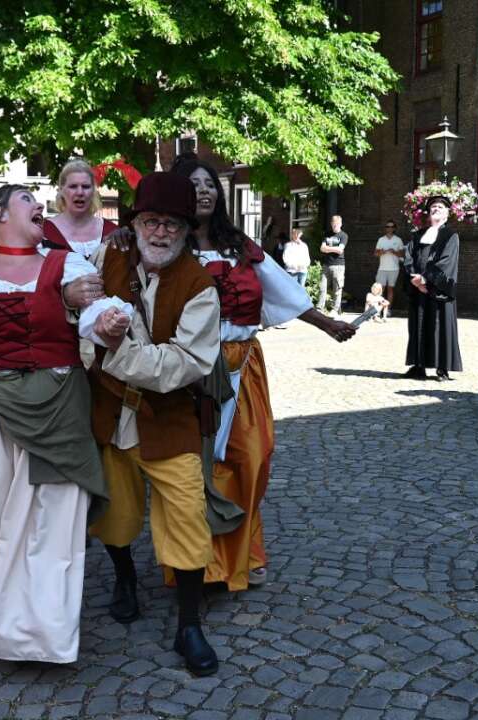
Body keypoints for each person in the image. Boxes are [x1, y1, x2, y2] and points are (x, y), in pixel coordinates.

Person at [0, 184, 119, 663]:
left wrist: (106, 322)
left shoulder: (67, 267)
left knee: (51, 525)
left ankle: (43, 634)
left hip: (58, 401)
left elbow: (94, 310)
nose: (39, 205)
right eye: (26, 199)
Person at [171, 156, 355, 593]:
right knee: (197, 465)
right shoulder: (168, 245)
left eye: (209, 184)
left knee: (252, 456)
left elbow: (282, 289)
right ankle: (200, 561)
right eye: (193, 184)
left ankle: (243, 551)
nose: (204, 190)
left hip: (243, 364)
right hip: (189, 369)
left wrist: (327, 324)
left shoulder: (240, 245)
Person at [85, 171, 225, 676]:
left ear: (186, 230)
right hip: (110, 412)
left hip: (169, 416)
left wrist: (115, 351)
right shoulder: (109, 257)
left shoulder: (199, 286)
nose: (160, 233)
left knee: (186, 514)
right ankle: (125, 579)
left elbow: (187, 361)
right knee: (116, 512)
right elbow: (78, 313)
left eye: (171, 224)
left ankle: (189, 624)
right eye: (151, 222)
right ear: (135, 223)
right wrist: (91, 337)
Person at [403, 196, 462, 381]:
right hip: (418, 288)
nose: (436, 209)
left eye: (440, 207)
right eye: (433, 207)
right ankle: (418, 366)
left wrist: (426, 279)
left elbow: (447, 262)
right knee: (418, 326)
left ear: (447, 213)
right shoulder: (418, 235)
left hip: (438, 290)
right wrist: (414, 278)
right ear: (429, 212)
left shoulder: (450, 236)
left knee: (439, 326)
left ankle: (442, 368)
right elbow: (408, 257)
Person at [42, 158, 118, 260]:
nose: (80, 192)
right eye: (73, 186)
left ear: (93, 191)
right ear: (61, 190)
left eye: (85, 186)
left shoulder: (111, 231)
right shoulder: (45, 232)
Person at [318, 215, 347, 317]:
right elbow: (321, 248)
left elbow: (340, 250)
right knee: (322, 287)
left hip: (338, 265)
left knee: (337, 289)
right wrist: (333, 249)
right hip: (326, 264)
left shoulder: (343, 235)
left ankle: (335, 310)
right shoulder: (327, 234)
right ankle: (320, 308)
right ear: (331, 223)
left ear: (340, 224)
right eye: (333, 223)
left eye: (337, 223)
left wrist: (327, 248)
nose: (335, 225)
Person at [374, 221, 404, 318]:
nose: (389, 228)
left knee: (390, 289)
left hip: (394, 269)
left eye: (392, 226)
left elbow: (402, 254)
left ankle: (388, 310)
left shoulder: (398, 240)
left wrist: (394, 252)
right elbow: (375, 253)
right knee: (379, 290)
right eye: (388, 226)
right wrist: (381, 252)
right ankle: (377, 310)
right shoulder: (381, 239)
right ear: (385, 228)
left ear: (394, 228)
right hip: (382, 268)